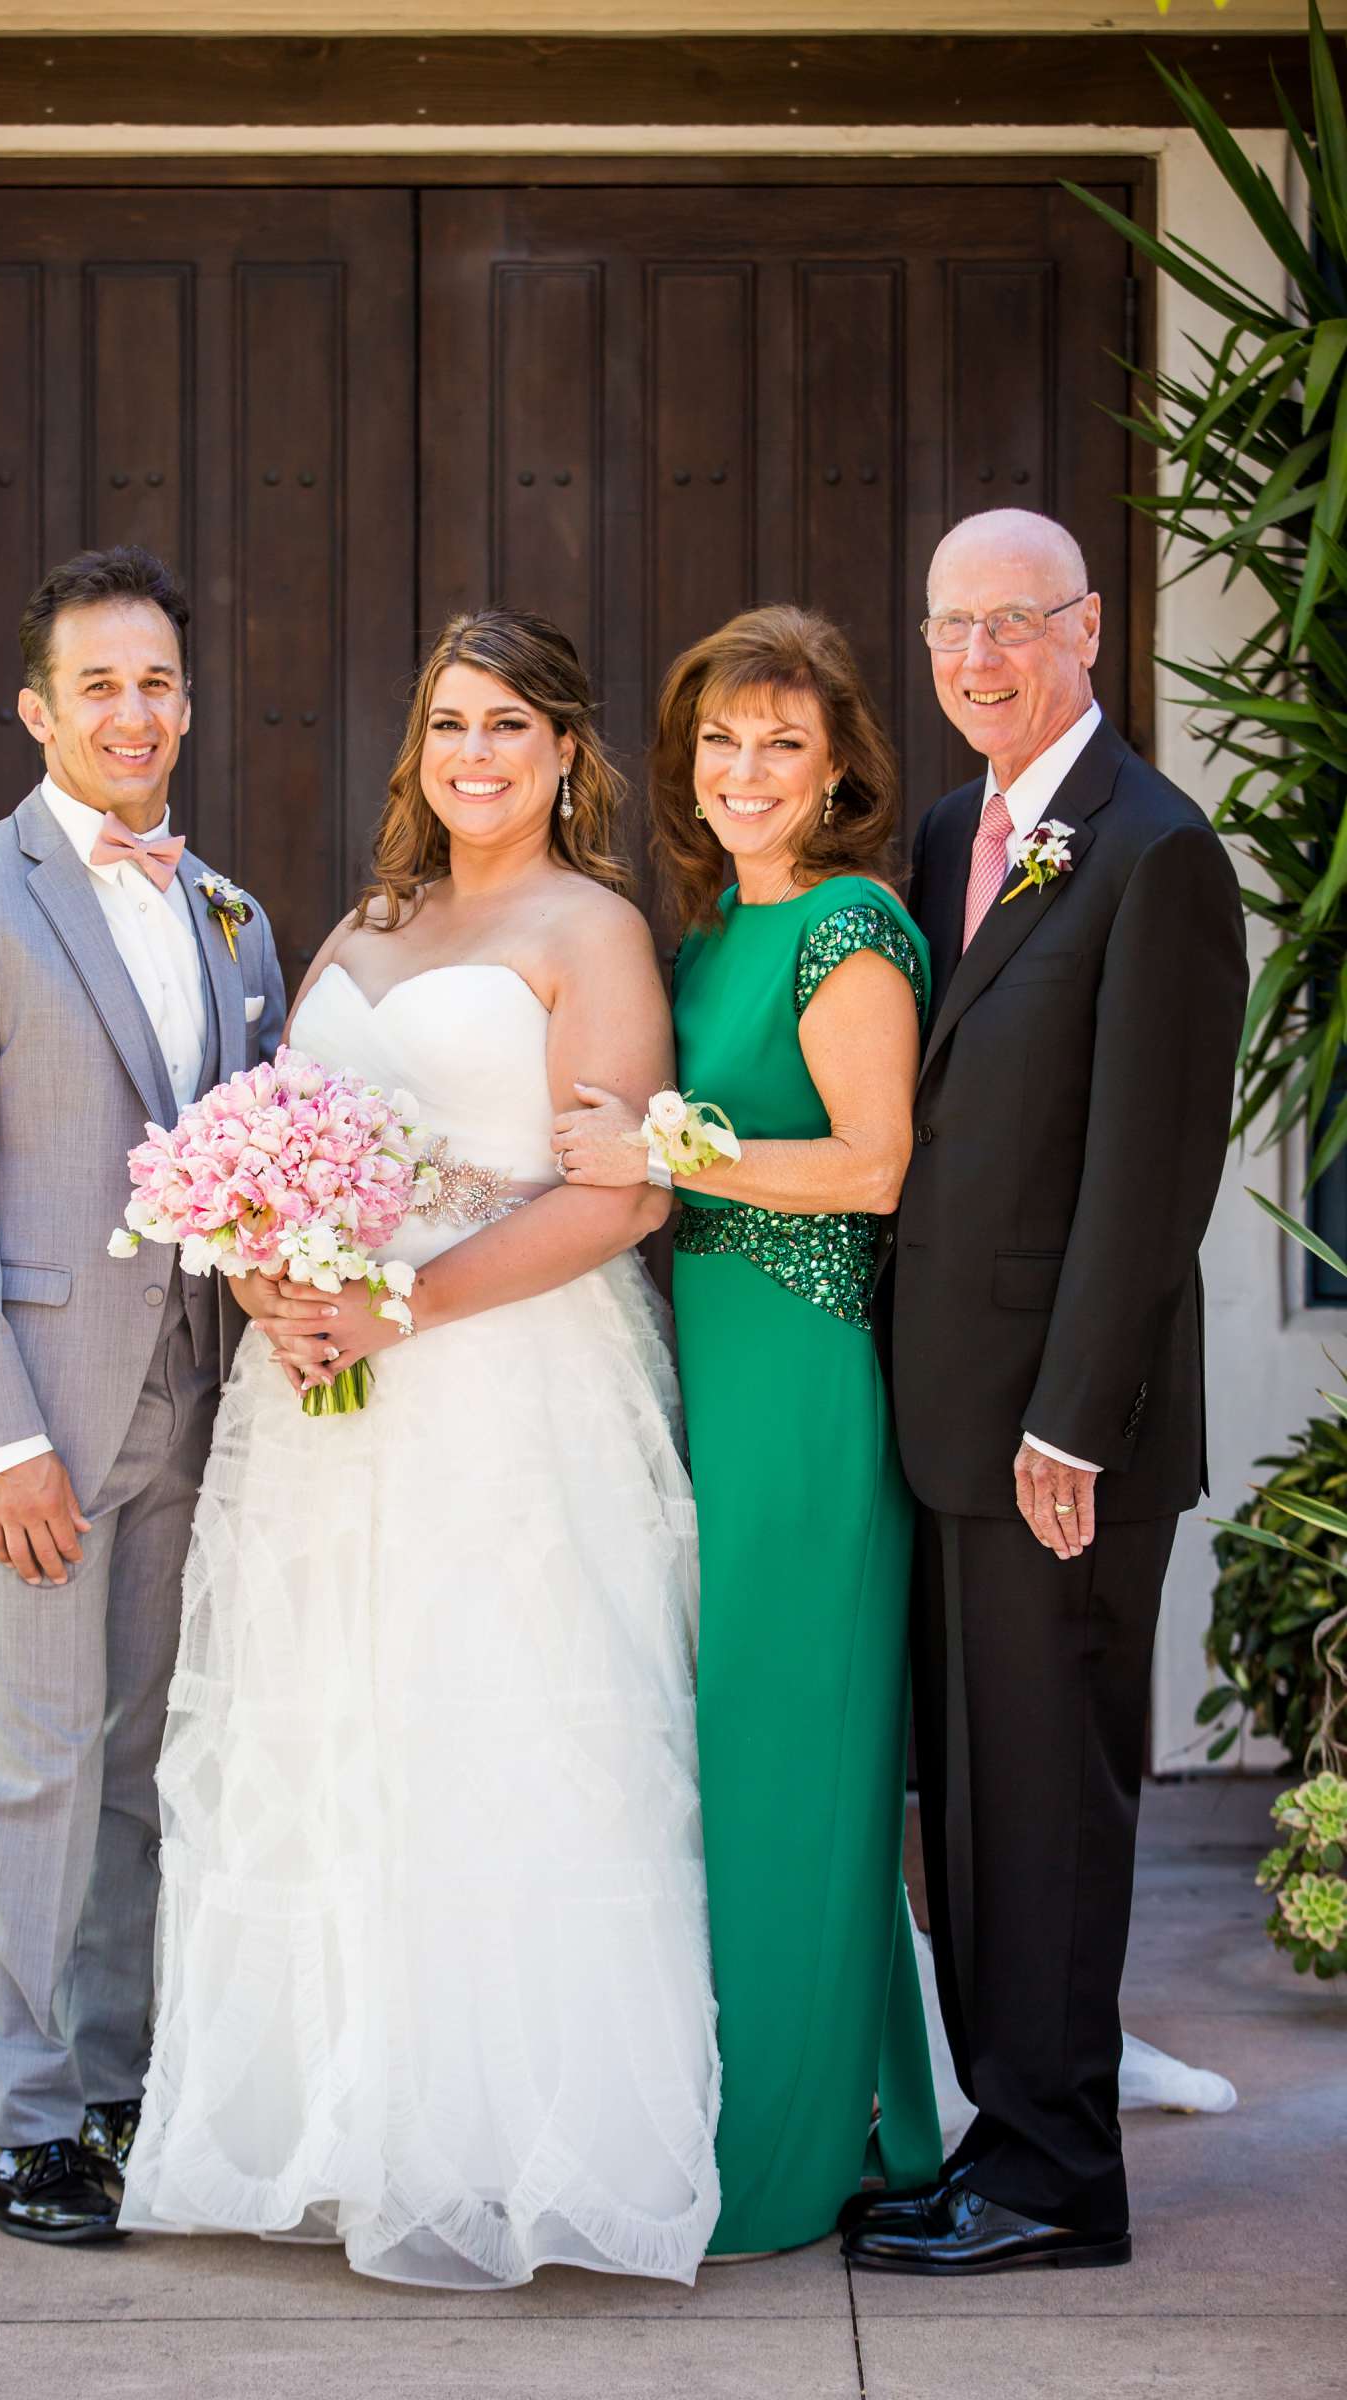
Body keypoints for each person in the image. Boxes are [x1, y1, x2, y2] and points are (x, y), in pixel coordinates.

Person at [119, 610, 722, 2288]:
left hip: (508, 1388)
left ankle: (509, 2143)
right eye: (452, 723)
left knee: (499, 1730)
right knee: (337, 1735)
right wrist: (264, 1274)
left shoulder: (591, 929)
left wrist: (406, 1306)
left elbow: (625, 1193)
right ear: (421, 744)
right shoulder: (364, 927)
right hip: (324, 1406)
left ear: (565, 755)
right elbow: (269, 1146)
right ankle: (340, 2119)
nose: (475, 754)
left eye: (511, 728)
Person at [841, 509, 1247, 2276]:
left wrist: (1070, 1417)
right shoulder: (951, 833)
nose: (979, 658)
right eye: (950, 629)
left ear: (1089, 629)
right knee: (979, 1804)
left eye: (1014, 623)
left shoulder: (1156, 851)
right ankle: (997, 2138)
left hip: (1058, 1441)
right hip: (943, 1416)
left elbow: (1154, 1175)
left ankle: (1062, 2179)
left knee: (1055, 1807)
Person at [0, 546, 287, 2242]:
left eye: (160, 683)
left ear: (189, 707)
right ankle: (21, 2118)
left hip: (199, 1404)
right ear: (41, 709)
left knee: (141, 1767)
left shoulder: (232, 910)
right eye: (99, 683)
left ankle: (115, 2082)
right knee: (34, 1765)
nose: (135, 711)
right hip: (37, 1417)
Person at [551, 604, 943, 2254]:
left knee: (792, 1760)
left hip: (804, 1386)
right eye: (720, 740)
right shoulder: (709, 935)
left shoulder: (848, 929)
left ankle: (792, 2154)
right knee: (728, 1757)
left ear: (842, 763)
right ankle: (813, 2097)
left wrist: (662, 1145)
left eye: (785, 741)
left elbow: (873, 1167)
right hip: (708, 1371)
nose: (747, 770)